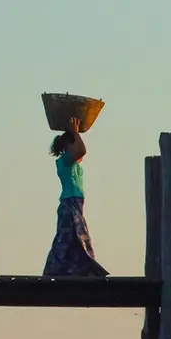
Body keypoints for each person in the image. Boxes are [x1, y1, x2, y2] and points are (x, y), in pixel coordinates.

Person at [43, 117, 109, 278]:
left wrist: (76, 132)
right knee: (70, 238)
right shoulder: (65, 161)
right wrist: (73, 131)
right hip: (69, 204)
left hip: (75, 204)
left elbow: (80, 152)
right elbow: (81, 150)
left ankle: (78, 269)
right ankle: (59, 270)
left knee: (73, 239)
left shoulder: (72, 163)